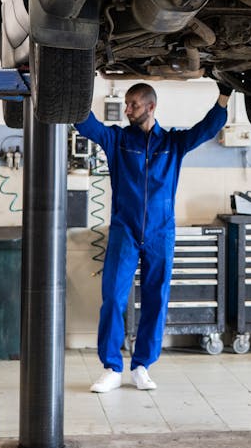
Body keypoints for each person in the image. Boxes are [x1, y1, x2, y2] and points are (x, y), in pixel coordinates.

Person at [76, 80, 232, 393]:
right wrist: (72, 82)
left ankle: (142, 366)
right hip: (125, 231)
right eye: (127, 104)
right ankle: (111, 368)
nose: (127, 109)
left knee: (155, 300)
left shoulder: (173, 144)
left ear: (151, 107)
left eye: (133, 104)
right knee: (113, 299)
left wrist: (224, 96)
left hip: (161, 233)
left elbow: (206, 128)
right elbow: (87, 124)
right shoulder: (118, 139)